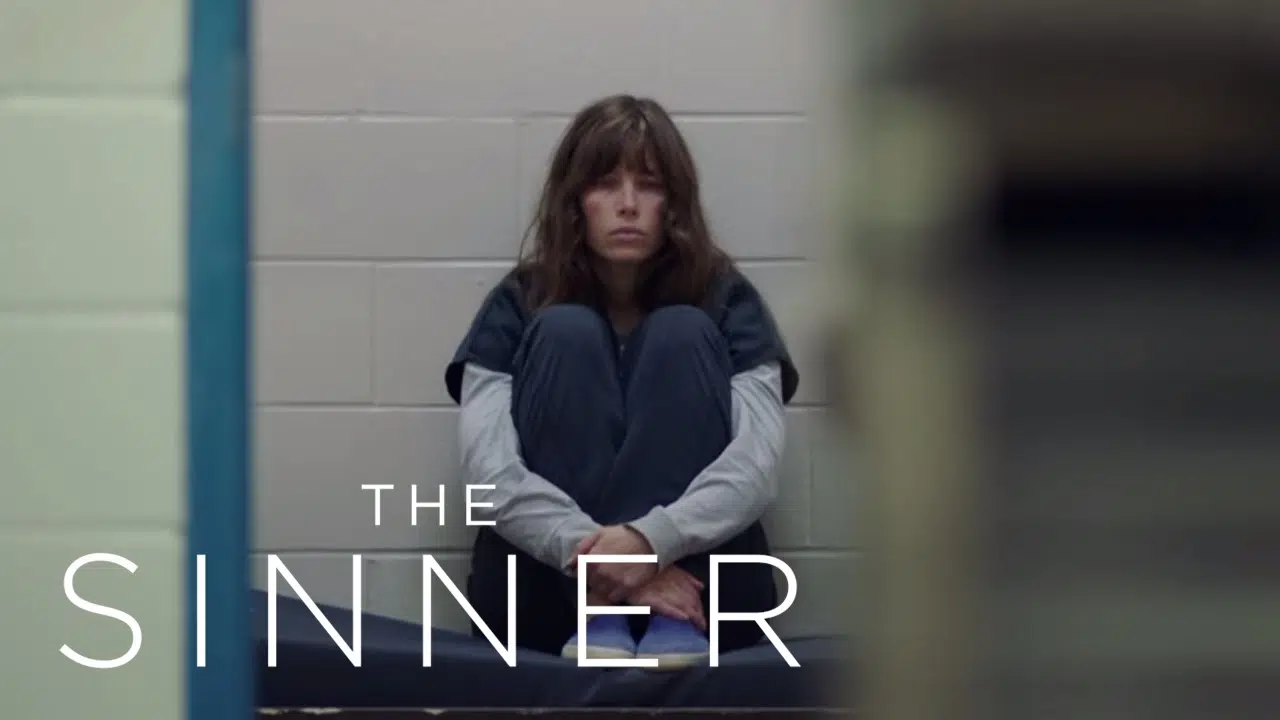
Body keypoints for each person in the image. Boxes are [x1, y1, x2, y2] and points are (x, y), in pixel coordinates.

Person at [444, 94, 799, 669]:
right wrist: (606, 564)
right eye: (606, 184)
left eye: (650, 186)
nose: (628, 205)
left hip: (700, 605)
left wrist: (651, 543)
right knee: (565, 331)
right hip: (549, 601)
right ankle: (605, 612)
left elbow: (756, 466)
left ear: (674, 203)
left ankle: (649, 615)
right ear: (574, 202)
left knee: (682, 331)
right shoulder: (519, 303)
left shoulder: (727, 300)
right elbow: (490, 474)